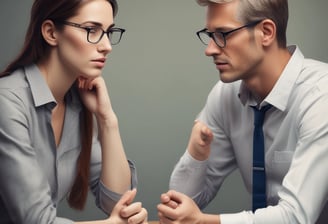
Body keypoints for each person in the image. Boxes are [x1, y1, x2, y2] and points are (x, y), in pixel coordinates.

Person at [157, 0, 328, 223]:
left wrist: (206, 222)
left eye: (223, 34)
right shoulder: (226, 94)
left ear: (266, 32)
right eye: (210, 35)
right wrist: (196, 155)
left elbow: (296, 217)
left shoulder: (320, 95)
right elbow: (179, 205)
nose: (209, 49)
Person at [0, 0, 148, 223]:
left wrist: (107, 120)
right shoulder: (7, 101)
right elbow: (35, 220)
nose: (107, 45)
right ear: (51, 33)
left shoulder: (77, 104)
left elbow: (117, 202)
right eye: (92, 30)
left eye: (109, 32)